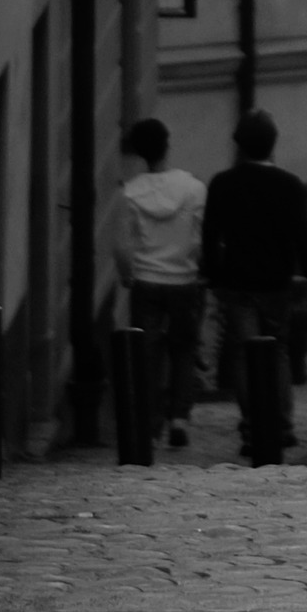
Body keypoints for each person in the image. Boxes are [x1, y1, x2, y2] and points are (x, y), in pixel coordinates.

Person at [201, 109, 307, 459]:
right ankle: (282, 426)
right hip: (276, 282)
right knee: (278, 352)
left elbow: (210, 235)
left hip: (238, 281)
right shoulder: (288, 184)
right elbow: (303, 237)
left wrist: (215, 276)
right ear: (273, 144)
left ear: (239, 146)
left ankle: (252, 426)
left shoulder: (223, 183)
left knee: (245, 353)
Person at [114, 117, 207, 448]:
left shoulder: (130, 193)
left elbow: (122, 244)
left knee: (148, 355)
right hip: (184, 279)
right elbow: (200, 236)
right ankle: (179, 417)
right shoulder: (194, 188)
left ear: (140, 152)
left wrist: (127, 274)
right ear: (167, 145)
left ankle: (151, 425)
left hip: (147, 279)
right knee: (184, 349)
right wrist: (197, 266)